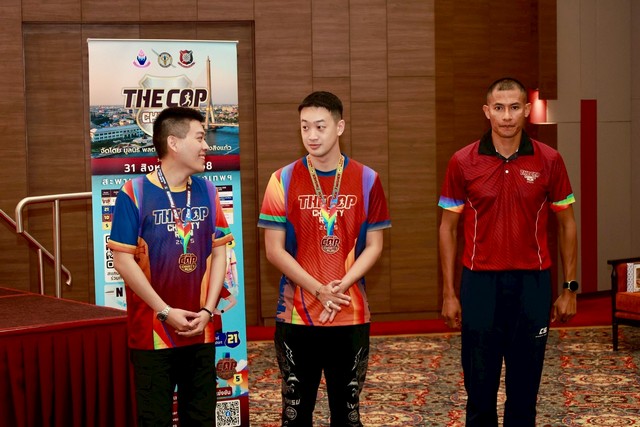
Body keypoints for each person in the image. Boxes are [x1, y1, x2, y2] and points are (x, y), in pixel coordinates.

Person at [438, 77, 578, 426]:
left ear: (527, 110)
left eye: (514, 107)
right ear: (487, 111)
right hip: (479, 286)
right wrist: (449, 293)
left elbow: (567, 224)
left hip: (533, 285)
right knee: (479, 392)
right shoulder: (462, 161)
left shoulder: (550, 160)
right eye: (499, 108)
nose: (507, 116)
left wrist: (569, 288)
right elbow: (447, 228)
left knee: (524, 393)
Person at [258, 91, 391, 426]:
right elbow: (274, 249)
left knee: (348, 415)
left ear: (340, 126)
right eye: (305, 127)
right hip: (296, 315)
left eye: (320, 126)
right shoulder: (281, 179)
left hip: (349, 311)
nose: (312, 135)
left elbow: (374, 245)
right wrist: (319, 289)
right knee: (295, 415)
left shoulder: (368, 179)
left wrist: (339, 287)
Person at [108, 106, 233, 426]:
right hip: (152, 333)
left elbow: (220, 253)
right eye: (200, 138)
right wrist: (164, 311)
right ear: (174, 143)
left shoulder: (208, 191)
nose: (206, 146)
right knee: (155, 419)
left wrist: (207, 310)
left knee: (201, 418)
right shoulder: (134, 193)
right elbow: (122, 260)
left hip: (201, 329)